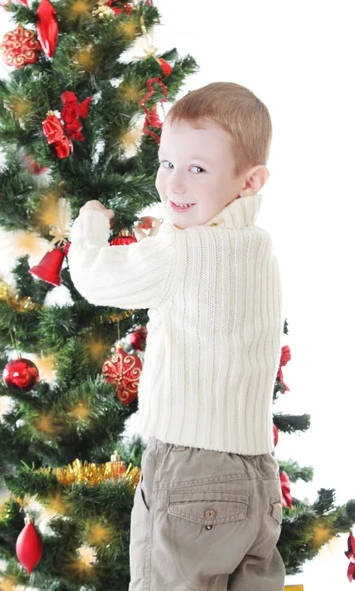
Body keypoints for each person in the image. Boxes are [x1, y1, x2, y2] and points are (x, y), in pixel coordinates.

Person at [68, 81, 285, 590]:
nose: (174, 186)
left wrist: (89, 225)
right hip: (258, 479)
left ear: (250, 181)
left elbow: (95, 276)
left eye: (198, 169)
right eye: (167, 163)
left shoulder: (182, 251)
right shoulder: (259, 250)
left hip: (189, 472)